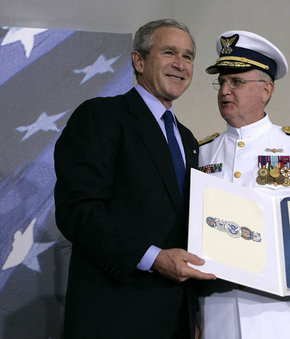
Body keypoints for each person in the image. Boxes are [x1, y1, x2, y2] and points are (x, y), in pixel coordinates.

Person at [53, 19, 215, 339]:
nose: (180, 65)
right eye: (169, 52)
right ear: (138, 61)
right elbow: (78, 212)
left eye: (188, 56)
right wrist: (153, 258)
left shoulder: (187, 140)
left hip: (175, 318)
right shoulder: (101, 117)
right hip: (113, 315)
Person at [197, 30, 290, 339]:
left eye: (237, 82)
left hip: (288, 315)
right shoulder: (203, 151)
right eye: (222, 82)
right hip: (222, 312)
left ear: (266, 90)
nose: (225, 91)